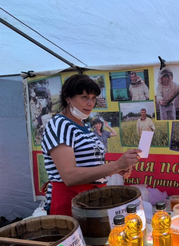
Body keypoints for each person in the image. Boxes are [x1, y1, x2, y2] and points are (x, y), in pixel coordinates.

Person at [41, 74, 141, 216]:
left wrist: (115, 170)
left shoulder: (83, 125)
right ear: (67, 98)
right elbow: (70, 176)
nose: (91, 103)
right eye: (84, 97)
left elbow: (87, 164)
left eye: (93, 98)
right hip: (69, 202)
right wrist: (116, 165)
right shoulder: (60, 125)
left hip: (90, 201)